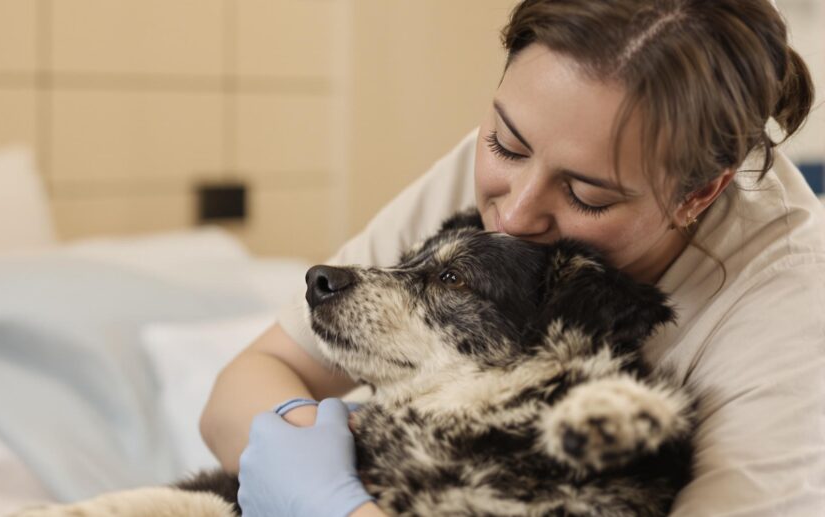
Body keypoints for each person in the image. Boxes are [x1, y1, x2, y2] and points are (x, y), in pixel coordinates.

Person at [200, 0, 824, 515]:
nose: (516, 214)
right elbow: (244, 385)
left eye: (587, 194)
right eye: (504, 142)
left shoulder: (789, 311)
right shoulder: (525, 164)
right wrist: (306, 440)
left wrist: (342, 508)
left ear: (699, 193)